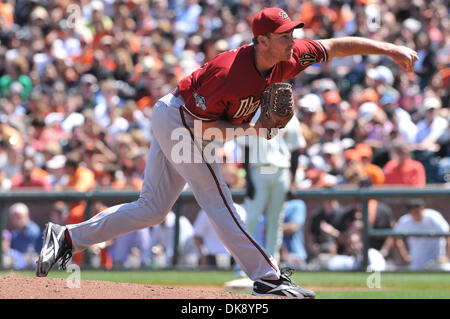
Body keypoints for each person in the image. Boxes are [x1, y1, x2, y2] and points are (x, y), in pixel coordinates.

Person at [36, 7, 418, 299]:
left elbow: (334, 47)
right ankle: (267, 279)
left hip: (184, 120)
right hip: (182, 119)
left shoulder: (287, 56)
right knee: (217, 198)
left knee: (152, 209)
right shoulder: (229, 74)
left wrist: (388, 49)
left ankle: (67, 238)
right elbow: (200, 129)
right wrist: (252, 129)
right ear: (262, 40)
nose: (292, 39)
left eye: (292, 32)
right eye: (284, 34)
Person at [241, 112, 305, 262]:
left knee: (276, 220)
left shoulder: (291, 117)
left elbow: (295, 150)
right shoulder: (253, 114)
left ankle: (272, 263)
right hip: (258, 170)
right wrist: (248, 179)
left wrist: (292, 180)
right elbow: (246, 148)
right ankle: (244, 263)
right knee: (251, 218)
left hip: (281, 170)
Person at [391, 199, 449, 270]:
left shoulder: (433, 217)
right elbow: (396, 237)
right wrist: (404, 255)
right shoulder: (405, 221)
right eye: (414, 212)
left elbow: (447, 234)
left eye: (419, 211)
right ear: (410, 212)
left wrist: (447, 256)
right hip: (416, 261)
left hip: (437, 259)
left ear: (423, 209)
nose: (418, 214)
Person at [8, 202, 42, 268]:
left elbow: (33, 252)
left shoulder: (33, 229)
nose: (17, 220)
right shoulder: (15, 233)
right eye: (14, 217)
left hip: (35, 258)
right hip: (23, 260)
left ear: (27, 216)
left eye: (19, 217)